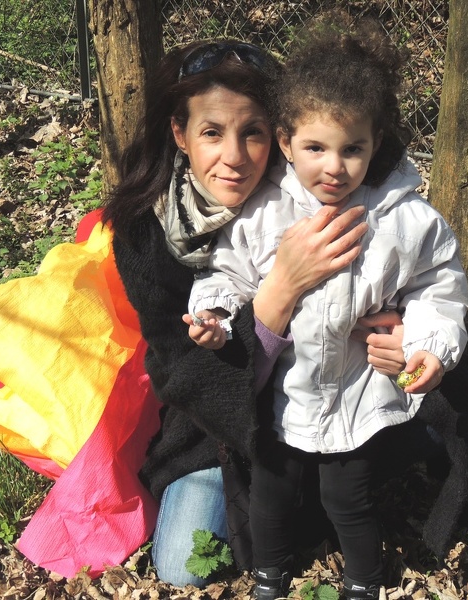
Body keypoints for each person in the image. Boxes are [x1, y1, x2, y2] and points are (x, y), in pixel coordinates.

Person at [99, 39, 406, 588]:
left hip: (337, 398)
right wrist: (280, 288)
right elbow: (184, 375)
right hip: (217, 428)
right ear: (180, 134)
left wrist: (402, 330)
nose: (235, 157)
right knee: (183, 566)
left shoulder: (318, 190)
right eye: (212, 133)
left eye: (254, 133)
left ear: (282, 138)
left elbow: (410, 277)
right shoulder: (147, 234)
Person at [187, 20, 468, 599]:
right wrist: (214, 313)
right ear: (287, 143)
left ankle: (364, 580)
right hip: (285, 396)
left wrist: (428, 345)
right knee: (271, 489)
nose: (334, 167)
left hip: (358, 398)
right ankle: (270, 571)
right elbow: (229, 270)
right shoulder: (264, 211)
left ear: (376, 144)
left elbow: (439, 287)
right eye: (315, 148)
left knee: (349, 498)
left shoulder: (403, 221)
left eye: (352, 149)